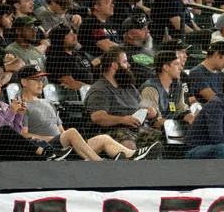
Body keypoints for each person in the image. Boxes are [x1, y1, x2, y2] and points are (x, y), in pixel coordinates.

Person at [17, 65, 151, 161]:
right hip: (47, 147)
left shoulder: (49, 103)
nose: (40, 83)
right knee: (72, 132)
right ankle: (98, 163)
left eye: (41, 80)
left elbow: (61, 131)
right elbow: (23, 135)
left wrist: (68, 141)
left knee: (103, 138)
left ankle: (133, 156)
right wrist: (53, 139)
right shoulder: (21, 105)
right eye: (36, 80)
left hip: (64, 147)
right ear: (24, 82)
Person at [85, 47, 164, 150]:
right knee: (126, 139)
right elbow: (97, 117)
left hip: (137, 129)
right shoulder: (100, 89)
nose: (129, 65)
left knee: (161, 137)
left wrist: (152, 112)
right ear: (114, 65)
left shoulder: (129, 87)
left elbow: (145, 106)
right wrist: (122, 120)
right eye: (125, 62)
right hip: (111, 132)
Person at [140, 50, 192, 126]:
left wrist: (193, 119)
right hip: (155, 132)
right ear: (166, 67)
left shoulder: (177, 84)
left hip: (173, 126)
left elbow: (181, 108)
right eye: (177, 64)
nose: (181, 68)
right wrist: (176, 127)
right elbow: (153, 121)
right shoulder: (150, 89)